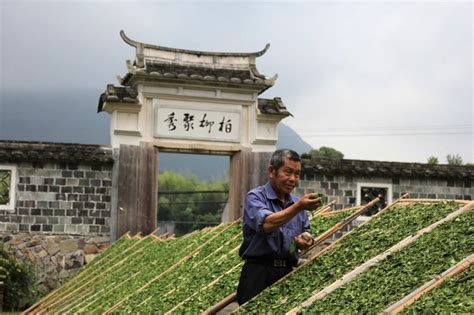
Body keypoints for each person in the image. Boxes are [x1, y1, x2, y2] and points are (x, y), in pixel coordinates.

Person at [236, 149, 321, 305]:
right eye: (288, 172)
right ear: (271, 171)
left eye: (297, 174)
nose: (293, 179)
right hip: (258, 273)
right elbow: (266, 223)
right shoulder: (255, 197)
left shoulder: (297, 204)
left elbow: (306, 232)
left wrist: (306, 239)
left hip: (287, 273)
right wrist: (299, 206)